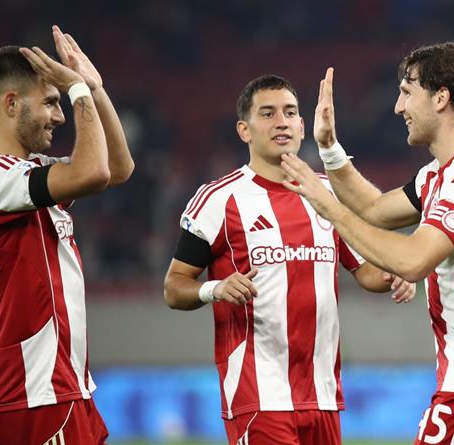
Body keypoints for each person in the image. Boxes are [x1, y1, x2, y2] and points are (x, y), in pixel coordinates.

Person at [280, 42, 454, 444]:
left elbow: (413, 260)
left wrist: (327, 207)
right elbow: (373, 208)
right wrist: (329, 147)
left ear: (441, 98)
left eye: (407, 92)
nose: (398, 107)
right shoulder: (440, 174)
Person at [163, 74, 415, 445]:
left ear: (301, 126)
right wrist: (214, 289)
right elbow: (174, 287)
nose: (281, 122)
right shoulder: (218, 199)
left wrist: (397, 272)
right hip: (258, 395)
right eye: (268, 114)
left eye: (290, 112)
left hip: (323, 394)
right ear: (244, 130)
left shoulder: (327, 193)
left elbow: (367, 273)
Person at [0, 25, 134, 445]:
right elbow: (94, 171)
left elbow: (118, 168)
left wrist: (94, 89)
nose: (60, 115)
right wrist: (76, 90)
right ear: (11, 103)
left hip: (59, 386)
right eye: (50, 102)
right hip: (32, 389)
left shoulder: (24, 172)